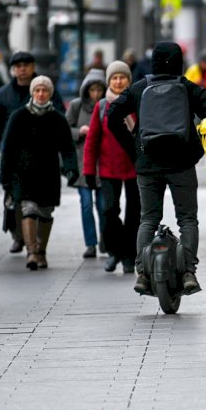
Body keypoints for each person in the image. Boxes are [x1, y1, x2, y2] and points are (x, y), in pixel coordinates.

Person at [107, 41, 206, 294]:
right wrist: (196, 148)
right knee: (188, 219)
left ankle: (142, 274)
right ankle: (189, 272)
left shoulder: (138, 88)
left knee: (147, 219)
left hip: (147, 164)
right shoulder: (188, 88)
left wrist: (133, 147)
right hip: (182, 163)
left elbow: (112, 115)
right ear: (179, 62)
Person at [0, 75, 78, 270]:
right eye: (37, 90)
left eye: (44, 90)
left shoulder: (57, 118)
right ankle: (32, 252)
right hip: (23, 174)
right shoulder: (19, 116)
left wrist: (71, 169)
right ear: (32, 93)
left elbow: (67, 147)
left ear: (50, 93)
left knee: (45, 213)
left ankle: (41, 251)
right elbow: (8, 147)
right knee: (29, 210)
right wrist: (5, 175)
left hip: (48, 173)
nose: (40, 94)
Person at [0, 51, 65, 254]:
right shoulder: (3, 94)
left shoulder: (45, 89)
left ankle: (35, 242)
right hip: (12, 152)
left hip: (42, 154)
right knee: (13, 197)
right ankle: (17, 236)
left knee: (37, 199)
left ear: (33, 67)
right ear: (13, 70)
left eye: (26, 65)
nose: (22, 69)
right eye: (18, 66)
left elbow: (59, 117)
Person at [83, 61, 140, 274]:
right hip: (108, 169)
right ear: (109, 81)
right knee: (109, 211)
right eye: (114, 78)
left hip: (134, 168)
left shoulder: (136, 102)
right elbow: (92, 141)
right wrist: (89, 171)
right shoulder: (101, 107)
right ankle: (114, 251)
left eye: (122, 77)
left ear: (128, 80)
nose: (118, 81)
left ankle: (129, 255)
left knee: (134, 213)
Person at [65, 68, 107, 258]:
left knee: (104, 205)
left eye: (99, 89)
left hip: (104, 164)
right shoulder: (76, 106)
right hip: (83, 164)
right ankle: (91, 243)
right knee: (86, 204)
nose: (96, 94)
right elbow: (65, 130)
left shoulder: (107, 106)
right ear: (86, 90)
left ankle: (106, 241)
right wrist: (78, 132)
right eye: (92, 90)